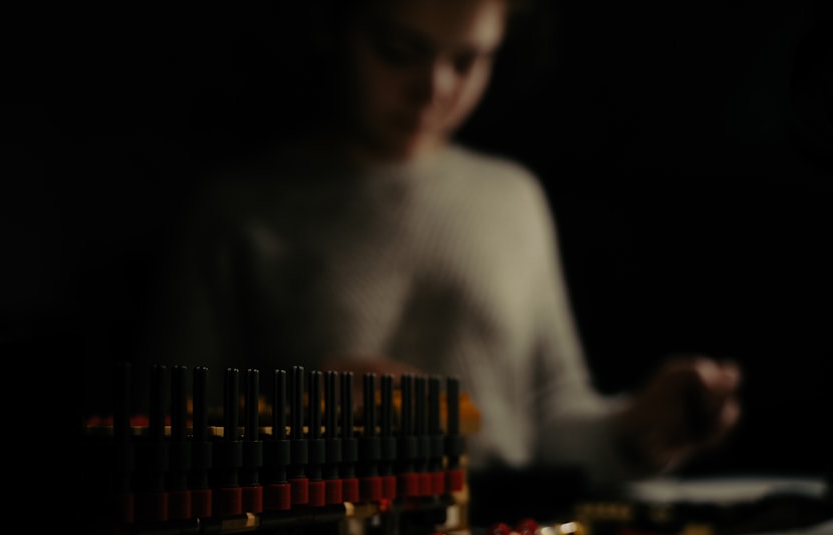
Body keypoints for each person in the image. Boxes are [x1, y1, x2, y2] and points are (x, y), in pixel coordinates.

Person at [140, 0, 742, 496]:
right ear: (337, 27)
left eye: (468, 60)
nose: (435, 88)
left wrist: (635, 429)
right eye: (400, 52)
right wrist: (288, 414)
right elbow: (162, 445)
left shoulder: (512, 197)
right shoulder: (240, 210)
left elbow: (549, 414)